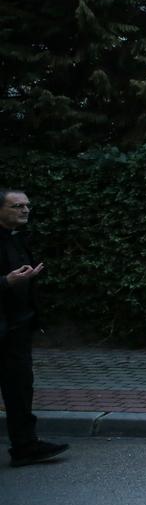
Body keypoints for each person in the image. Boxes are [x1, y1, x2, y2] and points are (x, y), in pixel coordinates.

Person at [1, 188, 69, 467]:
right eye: (17, 206)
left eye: (27, 205)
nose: (25, 210)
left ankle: (25, 445)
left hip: (16, 327)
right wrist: (6, 282)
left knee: (20, 387)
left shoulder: (19, 239)